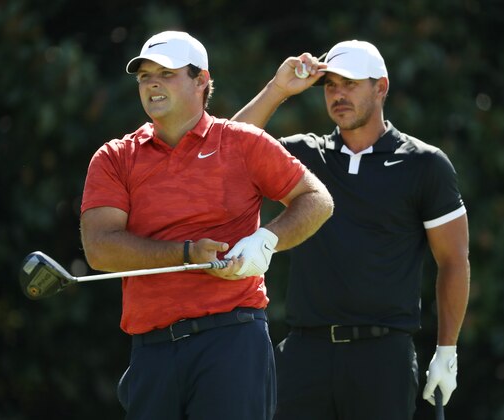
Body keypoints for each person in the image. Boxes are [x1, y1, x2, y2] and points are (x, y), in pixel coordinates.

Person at [79, 30, 334, 420]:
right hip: (152, 349)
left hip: (232, 339)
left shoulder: (242, 143)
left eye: (165, 73)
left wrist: (267, 240)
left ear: (201, 80)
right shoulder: (115, 158)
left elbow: (317, 199)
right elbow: (100, 248)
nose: (151, 83)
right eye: (144, 76)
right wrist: (185, 253)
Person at [232, 39, 470, 419]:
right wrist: (278, 90)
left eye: (351, 84)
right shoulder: (305, 155)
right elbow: (228, 149)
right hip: (304, 354)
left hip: (383, 357)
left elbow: (454, 261)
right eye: (330, 85)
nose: (338, 94)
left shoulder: (425, 165)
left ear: (381, 87)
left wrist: (447, 351)